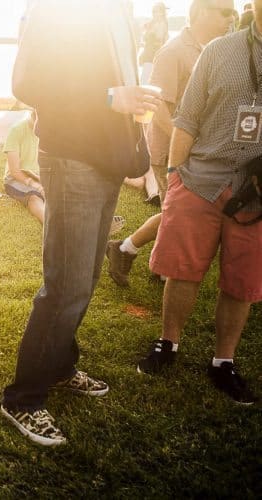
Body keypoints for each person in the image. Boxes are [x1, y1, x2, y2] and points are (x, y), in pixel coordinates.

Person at [0, 0, 160, 446]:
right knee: (66, 284)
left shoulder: (122, 11)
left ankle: (60, 366)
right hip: (72, 158)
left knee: (84, 278)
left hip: (108, 159)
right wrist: (111, 97)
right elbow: (27, 82)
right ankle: (23, 398)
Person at [136, 0, 259, 406]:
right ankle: (168, 343)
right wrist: (174, 178)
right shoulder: (219, 50)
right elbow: (185, 118)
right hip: (201, 178)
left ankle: (223, 361)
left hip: (256, 193)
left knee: (241, 283)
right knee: (181, 270)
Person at [107, 0, 235, 288]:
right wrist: (184, 142)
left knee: (174, 212)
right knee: (175, 213)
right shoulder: (174, 51)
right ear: (202, 12)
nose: (232, 18)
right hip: (171, 149)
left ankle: (132, 251)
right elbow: (160, 107)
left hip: (197, 150)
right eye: (225, 12)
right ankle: (130, 251)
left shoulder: (213, 49)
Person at [139, 2, 170, 84]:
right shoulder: (152, 23)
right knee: (145, 79)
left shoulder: (163, 24)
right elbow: (144, 37)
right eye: (155, 12)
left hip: (155, 54)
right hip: (149, 54)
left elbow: (161, 39)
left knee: (149, 80)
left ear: (163, 13)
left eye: (159, 12)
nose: (157, 14)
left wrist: (150, 33)